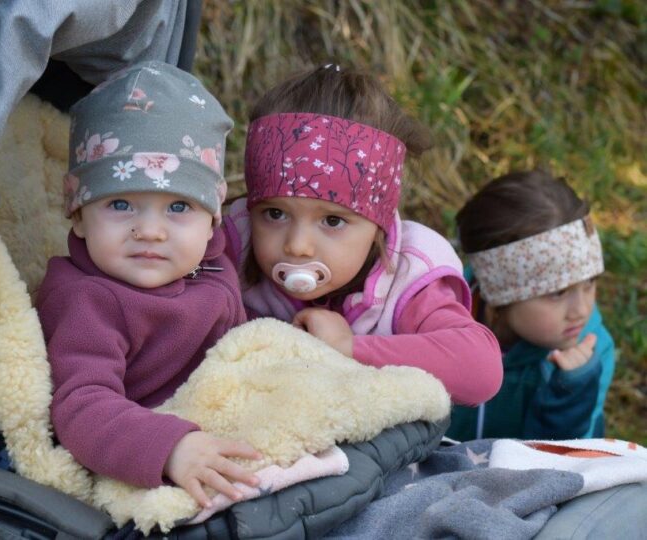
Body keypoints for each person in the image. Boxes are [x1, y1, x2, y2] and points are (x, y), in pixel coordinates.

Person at [37, 61, 260, 509]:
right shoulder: (87, 300)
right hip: (148, 441)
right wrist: (170, 447)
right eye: (121, 204)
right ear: (77, 214)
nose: (151, 232)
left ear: (212, 217)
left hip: (223, 420)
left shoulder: (212, 268)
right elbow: (81, 404)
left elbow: (245, 341)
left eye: (178, 207)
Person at [222, 65, 503, 406]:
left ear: (378, 225)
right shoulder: (231, 245)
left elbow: (481, 370)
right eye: (275, 214)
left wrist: (349, 348)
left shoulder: (407, 276)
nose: (297, 246)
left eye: (333, 221)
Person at [447, 170, 615, 440]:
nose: (582, 310)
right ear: (500, 292)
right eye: (558, 292)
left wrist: (571, 396)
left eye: (590, 282)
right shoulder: (437, 328)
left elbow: (562, 459)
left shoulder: (590, 356)